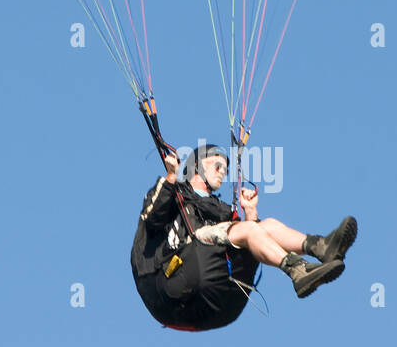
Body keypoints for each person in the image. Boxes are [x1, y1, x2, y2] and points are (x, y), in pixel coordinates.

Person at [130, 142, 357, 331]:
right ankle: (297, 270)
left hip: (222, 303)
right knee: (247, 230)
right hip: (171, 286)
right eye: (217, 165)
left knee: (263, 225)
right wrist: (171, 176)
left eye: (226, 168)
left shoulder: (223, 210)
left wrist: (250, 212)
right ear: (196, 166)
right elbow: (152, 220)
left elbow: (249, 242)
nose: (223, 171)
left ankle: (321, 247)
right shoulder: (173, 192)